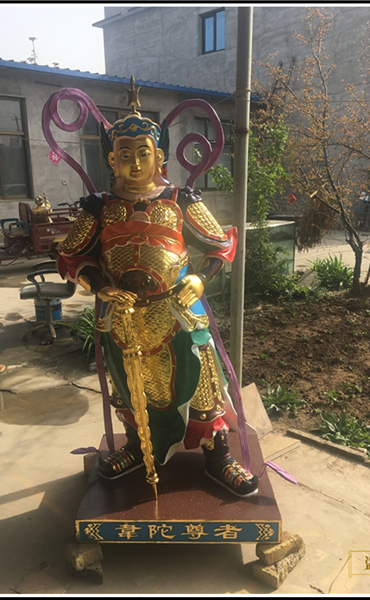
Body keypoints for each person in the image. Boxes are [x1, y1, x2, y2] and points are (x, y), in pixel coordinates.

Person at [57, 95, 258, 498]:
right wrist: (100, 286)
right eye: (124, 154)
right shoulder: (98, 208)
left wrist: (200, 278)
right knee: (129, 386)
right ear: (111, 160)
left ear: (159, 156)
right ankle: (137, 446)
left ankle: (217, 455)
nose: (134, 163)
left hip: (178, 311)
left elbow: (220, 245)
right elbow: (72, 256)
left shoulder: (181, 199)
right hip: (124, 317)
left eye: (143, 153)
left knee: (200, 381)